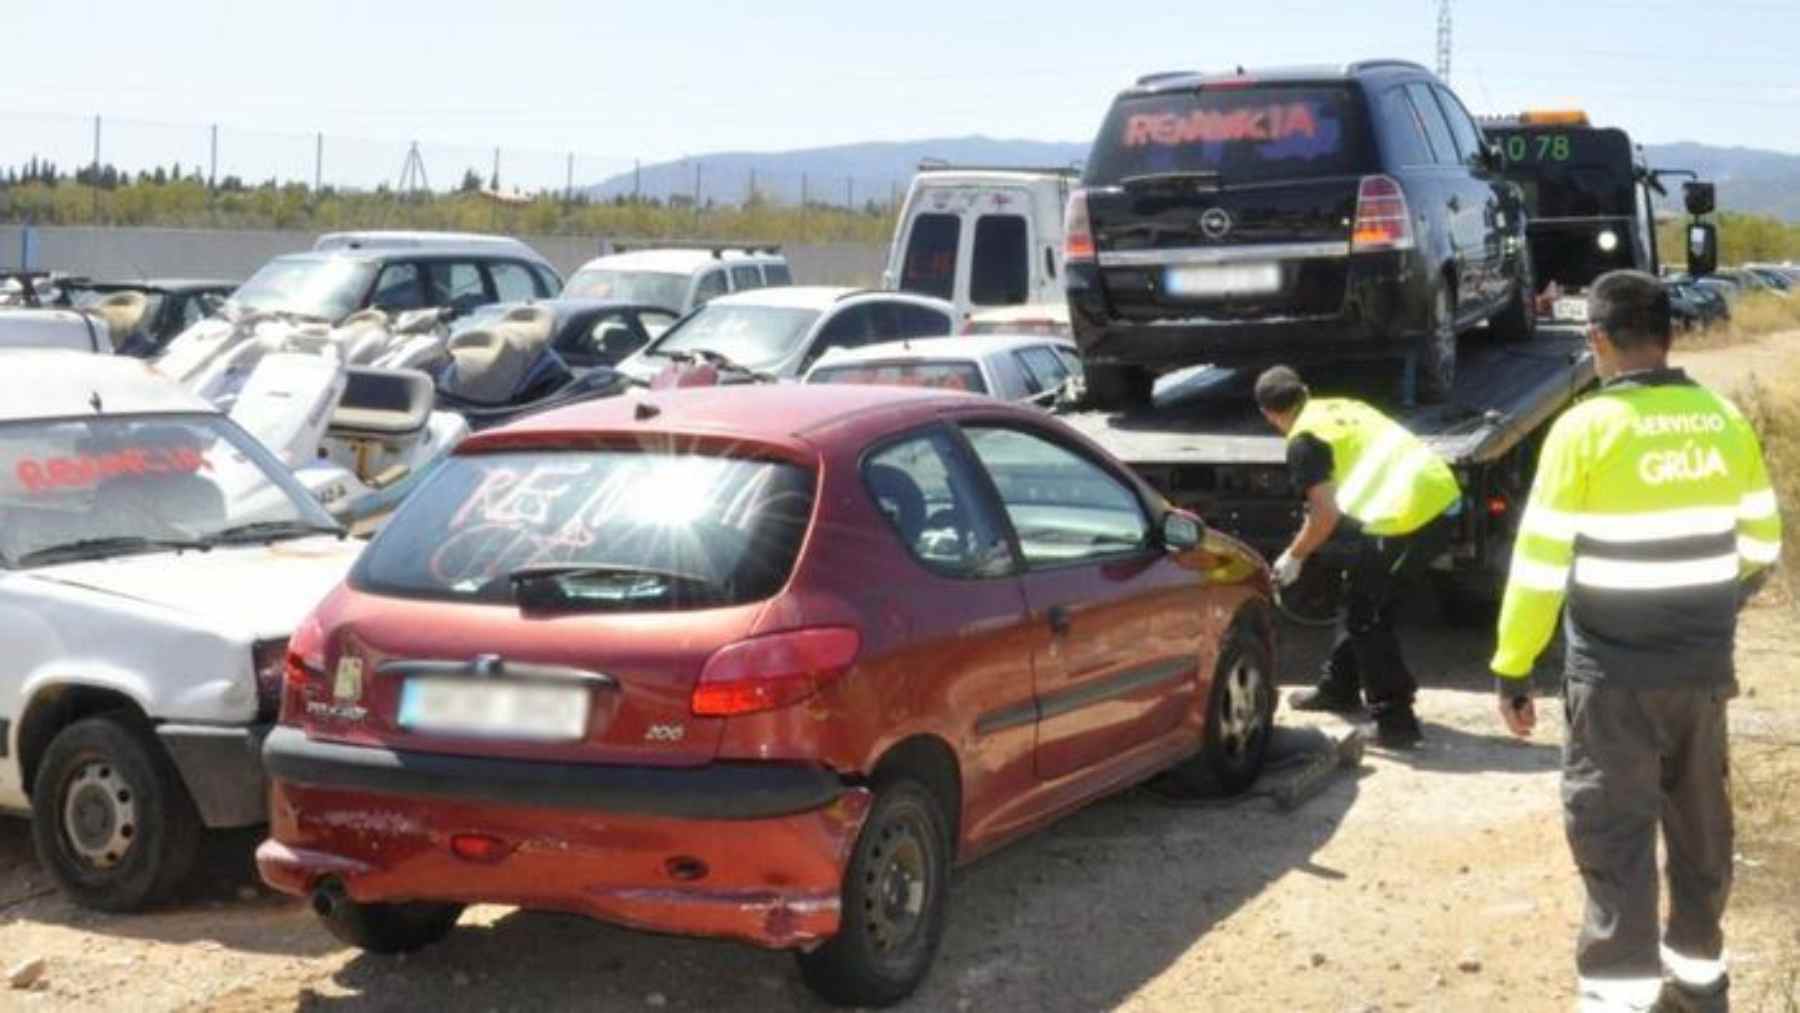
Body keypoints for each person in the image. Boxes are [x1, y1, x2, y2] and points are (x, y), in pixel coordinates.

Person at [1490, 270, 1781, 1013]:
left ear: (1597, 341)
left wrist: (1512, 665)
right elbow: (1761, 544)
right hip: (1702, 672)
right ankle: (1699, 981)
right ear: (1670, 334)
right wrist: (1710, 601)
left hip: (1612, 679)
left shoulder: (1584, 428)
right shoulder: (1722, 419)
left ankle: (1619, 997)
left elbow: (1539, 563)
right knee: (1700, 829)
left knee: (1614, 831)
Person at [1254, 365, 1462, 748]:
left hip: (1415, 515)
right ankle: (1339, 687)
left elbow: (1325, 514)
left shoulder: (1304, 441)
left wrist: (1293, 557)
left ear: (1268, 414)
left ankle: (1395, 721)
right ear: (1305, 391)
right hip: (1424, 496)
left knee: (1369, 615)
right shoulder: (1340, 407)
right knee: (1360, 594)